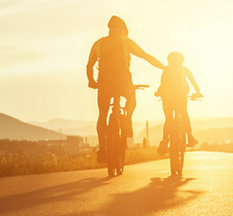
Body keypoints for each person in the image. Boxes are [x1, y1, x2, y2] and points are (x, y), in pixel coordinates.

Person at [87, 16, 165, 162]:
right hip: (123, 81)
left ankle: (102, 150)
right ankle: (126, 120)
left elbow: (89, 65)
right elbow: (145, 56)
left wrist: (91, 81)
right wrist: (164, 68)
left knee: (103, 114)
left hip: (104, 83)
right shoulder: (125, 41)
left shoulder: (98, 43)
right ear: (123, 29)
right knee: (131, 98)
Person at [155, 52, 202, 156]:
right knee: (184, 113)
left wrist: (158, 92)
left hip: (167, 97)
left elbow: (162, 83)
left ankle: (164, 142)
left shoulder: (166, 69)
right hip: (181, 95)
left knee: (168, 119)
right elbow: (193, 81)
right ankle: (190, 136)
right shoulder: (184, 69)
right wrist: (198, 92)